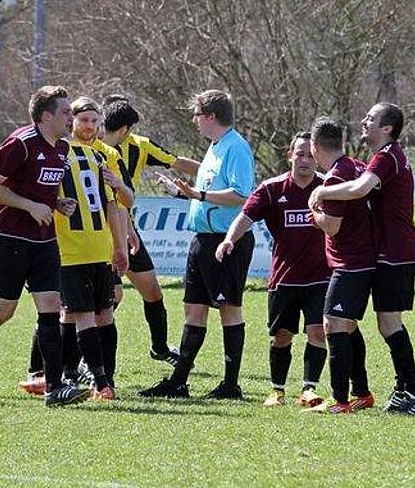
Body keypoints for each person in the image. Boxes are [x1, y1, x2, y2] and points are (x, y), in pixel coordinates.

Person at [0, 85, 90, 407]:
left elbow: (41, 193)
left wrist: (57, 202)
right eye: (65, 112)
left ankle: (54, 387)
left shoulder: (62, 148)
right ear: (46, 116)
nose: (70, 117)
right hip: (9, 238)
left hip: (44, 238)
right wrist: (29, 206)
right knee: (3, 311)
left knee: (50, 304)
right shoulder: (20, 144)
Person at [308, 103, 415, 414]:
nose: (363, 121)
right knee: (385, 323)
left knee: (389, 323)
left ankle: (414, 391)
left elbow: (360, 189)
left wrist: (322, 194)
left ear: (386, 128)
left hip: (396, 251)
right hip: (388, 252)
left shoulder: (388, 156)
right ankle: (403, 388)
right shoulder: (381, 158)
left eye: (371, 118)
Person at [139, 90, 254, 399]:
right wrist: (184, 194)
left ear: (211, 117)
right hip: (202, 240)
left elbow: (242, 195)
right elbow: (207, 189)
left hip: (226, 241)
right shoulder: (214, 147)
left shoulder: (236, 148)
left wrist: (198, 196)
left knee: (229, 309)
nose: (194, 121)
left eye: (197, 115)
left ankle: (231, 385)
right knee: (193, 309)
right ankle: (178, 382)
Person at [18, 97, 133, 397]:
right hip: (77, 248)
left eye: (95, 121)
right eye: (84, 119)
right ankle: (60, 374)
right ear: (71, 121)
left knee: (86, 314)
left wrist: (119, 246)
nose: (90, 126)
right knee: (74, 314)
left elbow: (117, 204)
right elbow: (113, 205)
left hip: (86, 249)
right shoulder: (90, 156)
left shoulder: (88, 155)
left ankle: (100, 381)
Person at [216, 132, 328, 408]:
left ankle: (308, 390)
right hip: (284, 277)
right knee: (281, 337)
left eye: (311, 155)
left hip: (321, 276)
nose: (305, 160)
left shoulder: (328, 188)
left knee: (318, 332)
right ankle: (277, 390)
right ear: (290, 156)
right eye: (299, 154)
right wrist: (230, 238)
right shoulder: (272, 189)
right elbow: (245, 216)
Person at [100, 96, 200, 366]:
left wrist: (213, 172)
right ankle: (88, 358)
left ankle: (159, 349)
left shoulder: (139, 146)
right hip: (99, 232)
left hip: (126, 227)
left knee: (152, 291)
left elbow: (177, 162)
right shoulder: (91, 149)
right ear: (125, 127)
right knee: (111, 297)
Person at [306, 117, 375, 414]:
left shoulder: (334, 178)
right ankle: (362, 393)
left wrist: (314, 213)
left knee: (331, 325)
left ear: (314, 146)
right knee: (347, 327)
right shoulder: (356, 166)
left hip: (351, 261)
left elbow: (332, 226)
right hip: (363, 258)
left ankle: (340, 401)